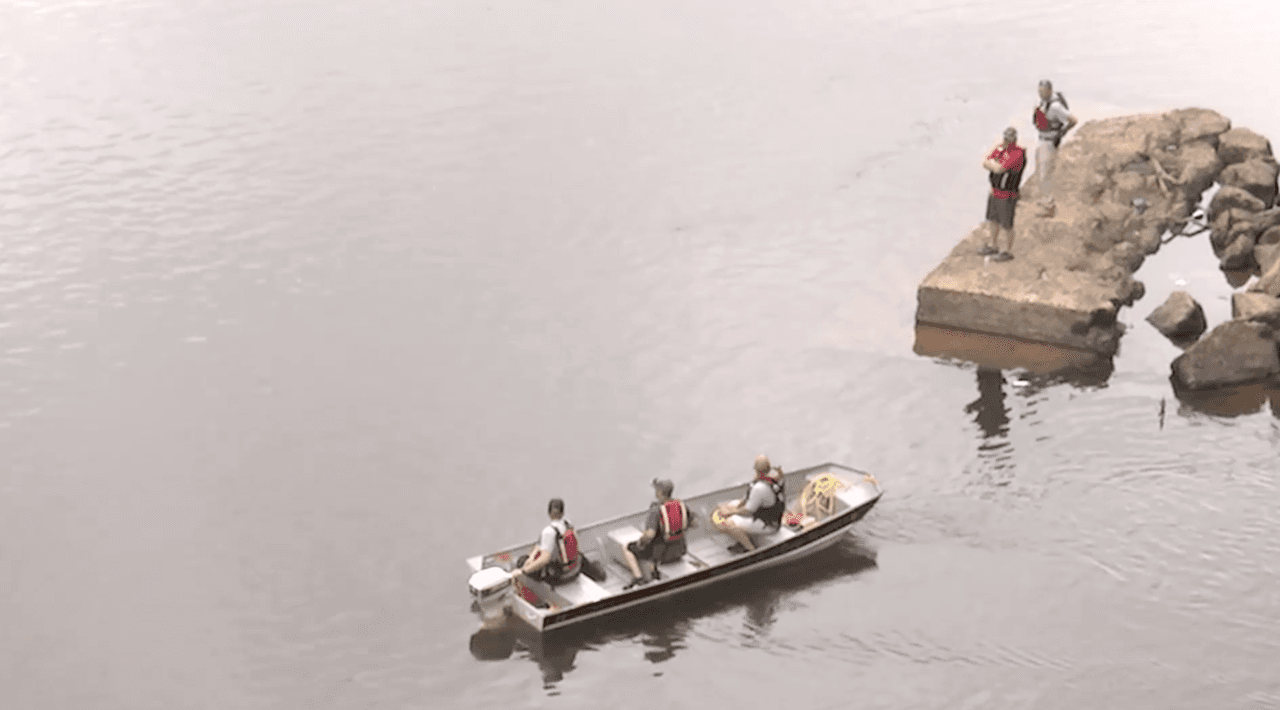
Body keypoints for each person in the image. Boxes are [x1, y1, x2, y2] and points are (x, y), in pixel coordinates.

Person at [621, 478, 694, 589]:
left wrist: (641, 542)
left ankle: (638, 578)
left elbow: (649, 535)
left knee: (627, 547)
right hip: (680, 550)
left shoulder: (656, 511)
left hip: (661, 555)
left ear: (659, 492)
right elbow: (692, 523)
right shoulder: (681, 506)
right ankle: (650, 572)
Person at [712, 455, 786, 553]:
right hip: (771, 517)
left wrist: (730, 513)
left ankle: (750, 549)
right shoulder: (774, 478)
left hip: (768, 525)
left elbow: (748, 510)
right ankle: (744, 536)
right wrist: (733, 507)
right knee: (731, 505)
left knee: (728, 522)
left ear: (755, 469)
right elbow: (748, 500)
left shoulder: (759, 488)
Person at [980, 127, 1026, 262]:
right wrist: (995, 165)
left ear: (1015, 140)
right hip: (995, 191)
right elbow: (986, 162)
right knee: (993, 219)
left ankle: (1007, 251)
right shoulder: (1001, 149)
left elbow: (1001, 169)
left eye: (1009, 139)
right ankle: (993, 245)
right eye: (1006, 138)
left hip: (1007, 194)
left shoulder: (1017, 154)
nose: (1007, 141)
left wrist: (995, 164)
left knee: (1007, 224)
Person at [513, 498, 581, 588]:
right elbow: (541, 543)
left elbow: (545, 559)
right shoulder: (568, 524)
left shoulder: (548, 531)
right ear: (563, 512)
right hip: (574, 569)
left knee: (521, 561)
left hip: (559, 576)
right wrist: (532, 556)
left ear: (549, 513)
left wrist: (523, 570)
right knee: (529, 558)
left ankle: (532, 595)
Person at [1032, 79, 1077, 215]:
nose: (1040, 94)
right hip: (1042, 139)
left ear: (1050, 90)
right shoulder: (1043, 102)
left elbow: (1073, 120)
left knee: (1045, 174)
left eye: (1043, 92)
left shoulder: (1055, 107)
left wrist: (1061, 133)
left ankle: (1049, 206)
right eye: (1039, 92)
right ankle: (1045, 198)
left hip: (1050, 141)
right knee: (1040, 171)